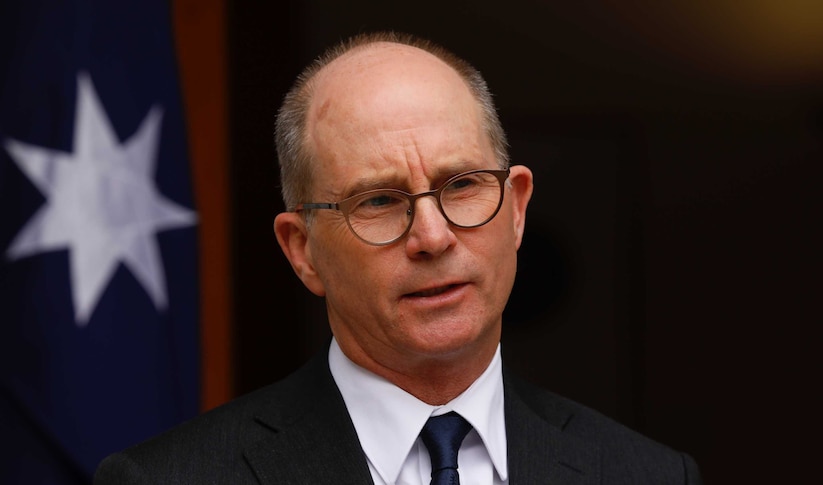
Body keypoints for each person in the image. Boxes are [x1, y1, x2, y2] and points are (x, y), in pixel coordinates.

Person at [94, 31, 702, 484]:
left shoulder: (646, 475)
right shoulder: (169, 481)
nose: (433, 237)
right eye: (380, 200)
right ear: (301, 250)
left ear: (516, 208)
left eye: (462, 185)